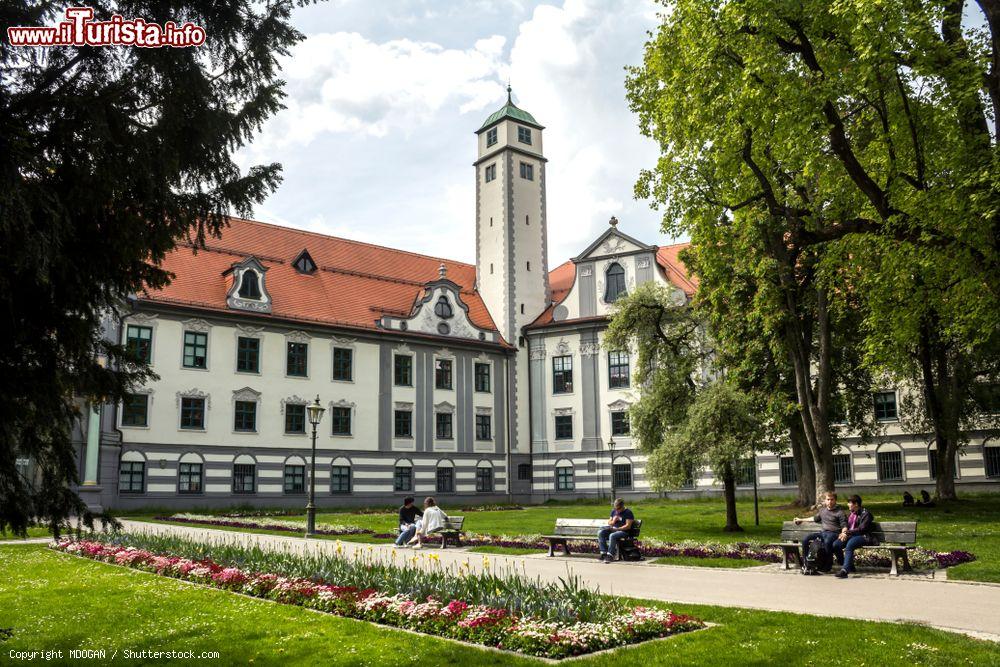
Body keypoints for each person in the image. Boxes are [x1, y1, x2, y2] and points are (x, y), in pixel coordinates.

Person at [794, 491, 846, 570]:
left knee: (827, 541)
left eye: (832, 499)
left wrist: (844, 533)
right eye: (828, 499)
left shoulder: (840, 512)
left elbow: (844, 525)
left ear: (835, 500)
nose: (830, 502)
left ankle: (828, 565)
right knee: (805, 539)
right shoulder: (822, 511)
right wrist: (801, 519)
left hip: (834, 534)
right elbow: (814, 518)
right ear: (825, 501)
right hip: (823, 533)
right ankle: (806, 563)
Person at [832, 494, 878, 579]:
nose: (848, 505)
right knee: (836, 545)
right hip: (852, 535)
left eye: (849, 503)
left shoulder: (866, 514)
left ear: (856, 504)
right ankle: (849, 566)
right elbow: (846, 524)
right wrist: (844, 532)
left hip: (864, 536)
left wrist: (847, 533)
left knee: (850, 544)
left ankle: (845, 570)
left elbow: (861, 529)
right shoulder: (852, 514)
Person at [598, 498, 635, 563]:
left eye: (618, 509)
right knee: (601, 532)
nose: (617, 510)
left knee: (612, 535)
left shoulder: (628, 512)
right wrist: (614, 521)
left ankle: (610, 555)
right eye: (615, 509)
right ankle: (603, 553)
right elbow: (609, 522)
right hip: (613, 529)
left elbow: (628, 526)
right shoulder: (613, 511)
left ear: (622, 506)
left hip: (624, 532)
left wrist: (617, 529)